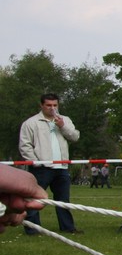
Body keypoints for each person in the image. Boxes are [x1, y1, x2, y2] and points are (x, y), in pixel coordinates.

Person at [18, 93, 82, 236]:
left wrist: (62, 126)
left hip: (62, 167)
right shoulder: (31, 123)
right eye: (48, 105)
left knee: (63, 200)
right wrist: (36, 162)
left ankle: (67, 228)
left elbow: (75, 137)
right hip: (41, 168)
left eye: (55, 105)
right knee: (35, 199)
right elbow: (25, 146)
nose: (52, 108)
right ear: (41, 105)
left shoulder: (65, 120)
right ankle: (33, 229)